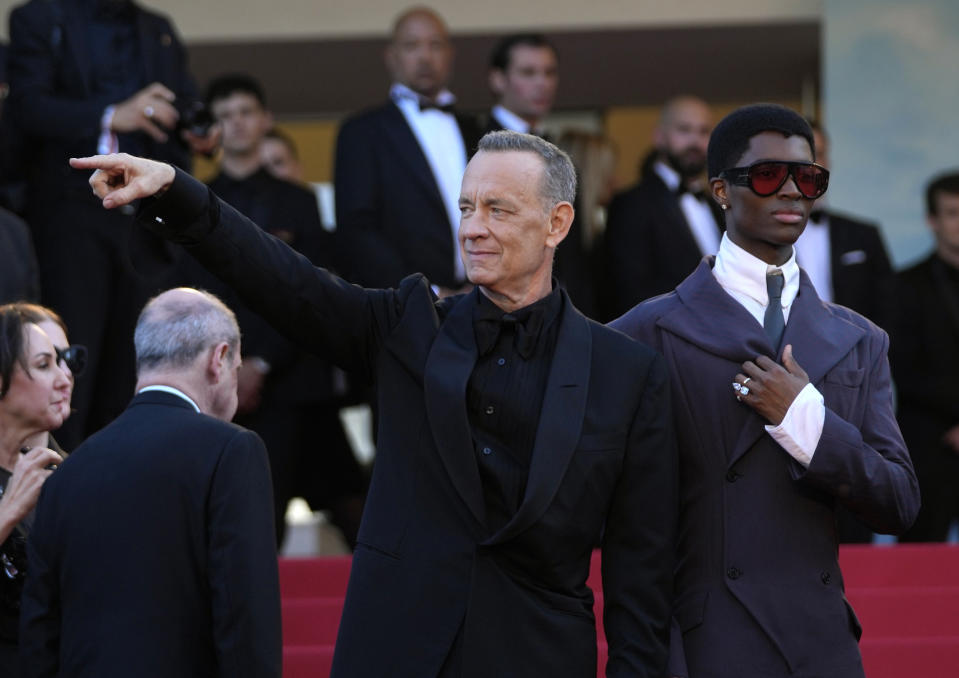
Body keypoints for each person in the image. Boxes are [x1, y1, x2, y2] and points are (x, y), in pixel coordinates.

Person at [71, 130, 677, 677]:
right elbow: (287, 281)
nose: (472, 228)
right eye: (466, 207)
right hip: (397, 649)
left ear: (557, 223)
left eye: (498, 210)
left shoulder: (626, 373)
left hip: (539, 656)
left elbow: (642, 575)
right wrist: (178, 193)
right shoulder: (405, 326)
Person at [611, 104, 919, 678]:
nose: (793, 192)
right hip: (706, 643)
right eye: (769, 175)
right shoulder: (641, 333)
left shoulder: (860, 339)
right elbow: (618, 521)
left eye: (808, 178)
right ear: (721, 191)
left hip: (819, 643)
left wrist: (805, 420)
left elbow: (898, 502)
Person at [20, 288, 280, 678]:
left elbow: (40, 632)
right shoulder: (231, 451)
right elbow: (244, 613)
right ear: (219, 358)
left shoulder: (68, 472)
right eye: (236, 367)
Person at [6, 0, 216, 449]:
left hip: (146, 225)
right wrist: (112, 114)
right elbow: (28, 107)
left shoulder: (157, 28)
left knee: (138, 364)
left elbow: (181, 98)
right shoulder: (39, 19)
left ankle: (122, 478)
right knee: (71, 360)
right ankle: (58, 482)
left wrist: (198, 128)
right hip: (71, 219)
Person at [200, 73, 366, 549]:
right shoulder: (196, 199)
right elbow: (197, 293)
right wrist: (231, 366)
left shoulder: (300, 200)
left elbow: (306, 291)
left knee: (326, 501)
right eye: (224, 116)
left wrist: (262, 363)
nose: (236, 125)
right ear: (212, 128)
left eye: (245, 112)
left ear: (265, 119)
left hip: (291, 382)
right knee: (237, 516)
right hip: (220, 381)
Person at [794, 120, 897, 543]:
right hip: (771, 385)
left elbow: (888, 320)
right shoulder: (739, 242)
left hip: (851, 393)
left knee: (855, 504)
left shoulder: (863, 235)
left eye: (818, 154)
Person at [334, 6, 482, 291]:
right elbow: (357, 230)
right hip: (402, 307)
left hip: (481, 299)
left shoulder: (474, 128)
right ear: (391, 57)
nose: (425, 56)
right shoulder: (363, 132)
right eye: (411, 45)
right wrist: (430, 294)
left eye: (435, 45)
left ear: (450, 55)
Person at [603, 96, 722, 319]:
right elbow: (630, 292)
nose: (695, 141)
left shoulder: (719, 206)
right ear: (659, 137)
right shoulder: (631, 205)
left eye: (704, 131)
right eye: (684, 130)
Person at [0, 305, 69, 677]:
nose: (65, 377)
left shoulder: (75, 474)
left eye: (63, 362)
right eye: (45, 365)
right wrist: (7, 513)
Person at [893, 171, 959, 542]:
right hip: (930, 446)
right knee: (919, 564)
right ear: (932, 220)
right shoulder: (904, 286)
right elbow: (904, 368)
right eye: (952, 213)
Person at [484, 33, 559, 138]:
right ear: (498, 79)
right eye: (528, 73)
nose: (543, 83)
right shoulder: (476, 143)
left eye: (549, 72)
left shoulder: (550, 140)